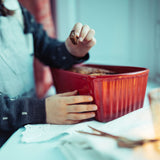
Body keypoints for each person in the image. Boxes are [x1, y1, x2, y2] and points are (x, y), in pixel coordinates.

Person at [0, 0, 97, 147]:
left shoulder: (15, 8)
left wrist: (70, 50)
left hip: (26, 129)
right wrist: (40, 110)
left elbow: (46, 48)